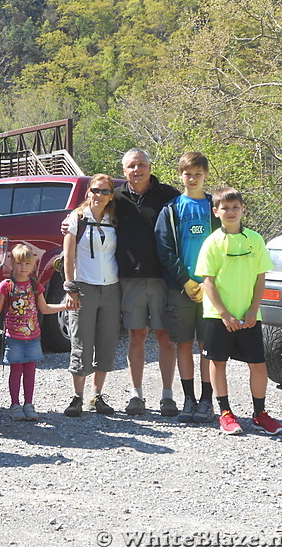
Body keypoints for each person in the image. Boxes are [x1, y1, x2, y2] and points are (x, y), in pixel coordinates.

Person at [194, 187, 282, 436]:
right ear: (216, 211)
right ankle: (225, 412)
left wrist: (253, 310)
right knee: (217, 362)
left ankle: (260, 414)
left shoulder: (255, 239)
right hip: (218, 316)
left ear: (243, 209)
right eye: (225, 208)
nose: (231, 212)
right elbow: (207, 282)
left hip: (249, 316)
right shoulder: (212, 242)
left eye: (235, 207)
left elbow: (260, 278)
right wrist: (225, 314)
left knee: (258, 365)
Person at [113, 148, 180, 416]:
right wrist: (68, 223)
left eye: (141, 164)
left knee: (165, 337)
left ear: (150, 167)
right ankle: (136, 395)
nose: (137, 170)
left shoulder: (169, 196)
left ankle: (167, 396)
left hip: (164, 278)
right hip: (130, 279)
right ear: (124, 171)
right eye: (131, 166)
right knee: (136, 336)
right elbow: (88, 211)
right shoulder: (115, 198)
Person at [155, 152, 219, 423]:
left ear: (205, 176)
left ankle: (207, 401)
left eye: (197, 174)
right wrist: (186, 280)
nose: (192, 179)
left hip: (211, 289)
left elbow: (224, 244)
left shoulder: (216, 206)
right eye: (187, 174)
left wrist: (208, 282)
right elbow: (164, 248)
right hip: (180, 288)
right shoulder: (171, 209)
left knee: (207, 346)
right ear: (180, 176)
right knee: (183, 343)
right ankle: (189, 400)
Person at [61, 174, 121, 418]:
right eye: (95, 190)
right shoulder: (76, 219)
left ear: (111, 195)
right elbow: (68, 256)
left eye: (105, 191)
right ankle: (77, 396)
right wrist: (70, 287)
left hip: (111, 287)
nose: (99, 195)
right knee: (81, 341)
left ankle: (97, 395)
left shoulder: (114, 219)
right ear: (88, 192)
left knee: (106, 342)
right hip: (83, 286)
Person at [0, 244, 70, 421]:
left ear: (33, 265)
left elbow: (44, 307)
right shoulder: (6, 285)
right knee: (16, 370)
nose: (23, 267)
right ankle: (15, 404)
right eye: (19, 263)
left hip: (33, 336)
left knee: (30, 371)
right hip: (13, 337)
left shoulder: (35, 285)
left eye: (27, 264)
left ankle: (29, 403)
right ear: (12, 264)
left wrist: (64, 306)